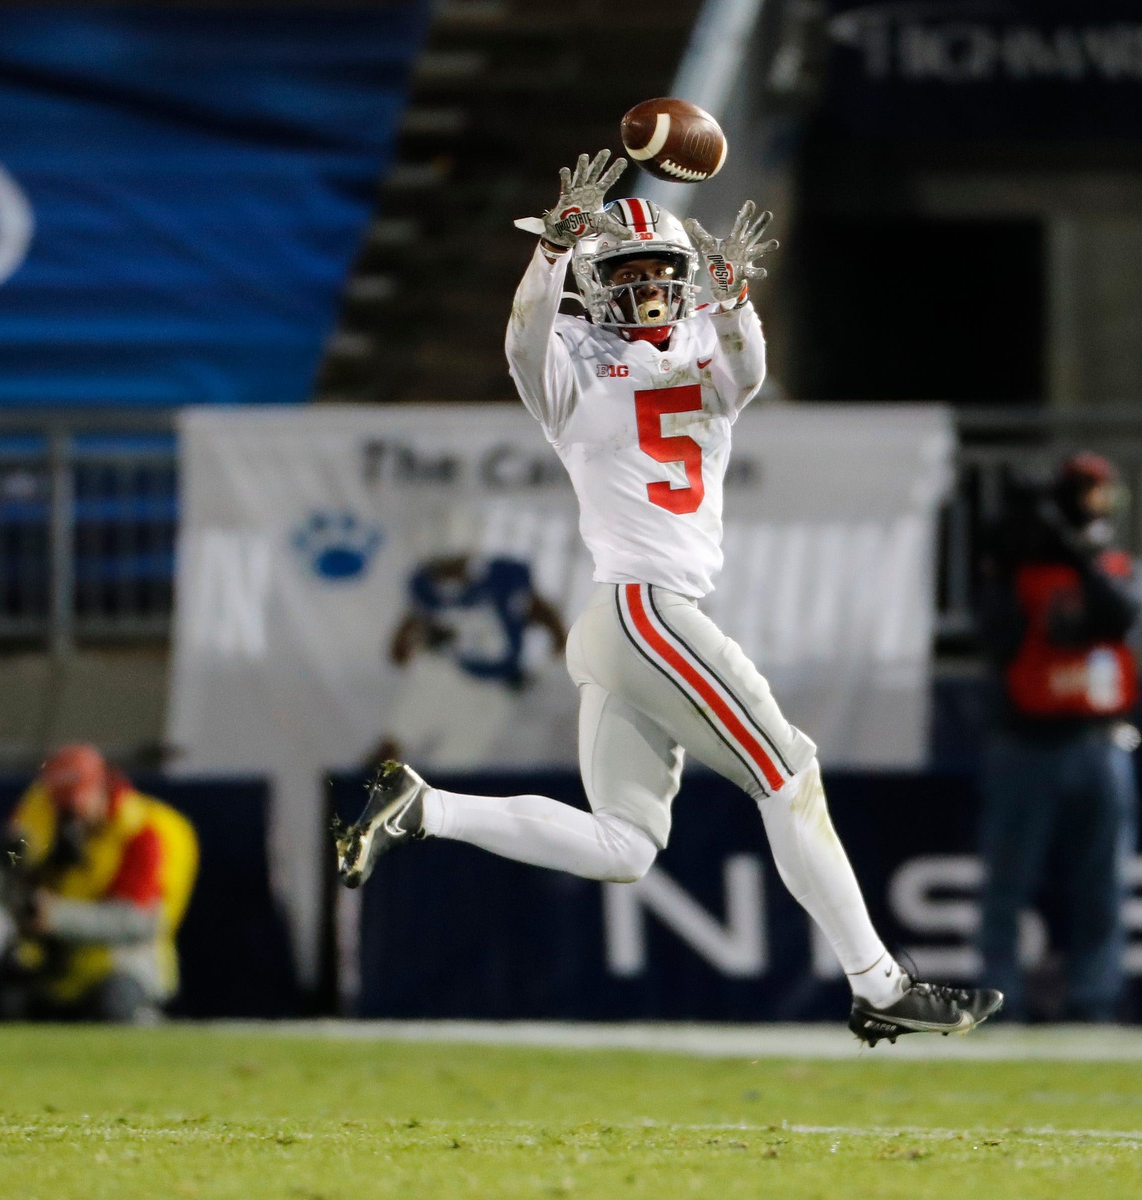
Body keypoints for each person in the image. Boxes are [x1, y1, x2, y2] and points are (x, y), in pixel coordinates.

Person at [335, 151, 1003, 1044]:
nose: (648, 287)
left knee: (624, 847)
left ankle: (425, 808)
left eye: (662, 272)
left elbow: (749, 369)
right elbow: (522, 341)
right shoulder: (573, 369)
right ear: (593, 282)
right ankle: (879, 983)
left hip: (628, 622)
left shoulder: (705, 349)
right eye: (627, 272)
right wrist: (552, 252)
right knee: (789, 769)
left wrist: (733, 297)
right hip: (645, 611)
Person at [977, 453, 1140, 1020]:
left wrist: (1077, 555)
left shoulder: (1109, 563)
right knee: (1008, 885)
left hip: (1099, 739)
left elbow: (1117, 615)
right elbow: (999, 634)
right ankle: (1001, 997)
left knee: (1101, 885)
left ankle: (1095, 999)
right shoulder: (1019, 564)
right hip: (1027, 741)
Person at [0, 745, 198, 1023]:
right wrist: (10, 863)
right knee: (4, 1005)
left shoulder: (142, 833)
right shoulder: (42, 812)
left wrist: (56, 916)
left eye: (75, 800)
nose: (69, 814)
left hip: (118, 964)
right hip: (52, 964)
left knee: (114, 1007)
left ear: (102, 788)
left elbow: (138, 921)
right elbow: (6, 873)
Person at [373, 554, 568, 768]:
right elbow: (400, 649)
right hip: (447, 678)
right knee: (392, 746)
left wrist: (543, 667)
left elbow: (550, 624)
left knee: (453, 770)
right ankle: (355, 797)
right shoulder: (431, 593)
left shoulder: (504, 584)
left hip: (491, 694)